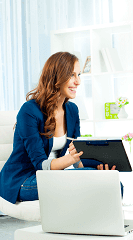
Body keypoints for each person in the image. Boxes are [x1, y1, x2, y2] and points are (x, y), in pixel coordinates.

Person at [0, 52, 112, 204]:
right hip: (23, 180)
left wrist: (95, 166)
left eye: (78, 75)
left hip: (53, 176)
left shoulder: (72, 110)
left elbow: (75, 156)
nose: (78, 82)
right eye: (72, 75)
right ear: (56, 77)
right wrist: (72, 159)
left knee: (110, 182)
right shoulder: (29, 111)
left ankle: (108, 226)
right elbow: (41, 165)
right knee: (90, 179)